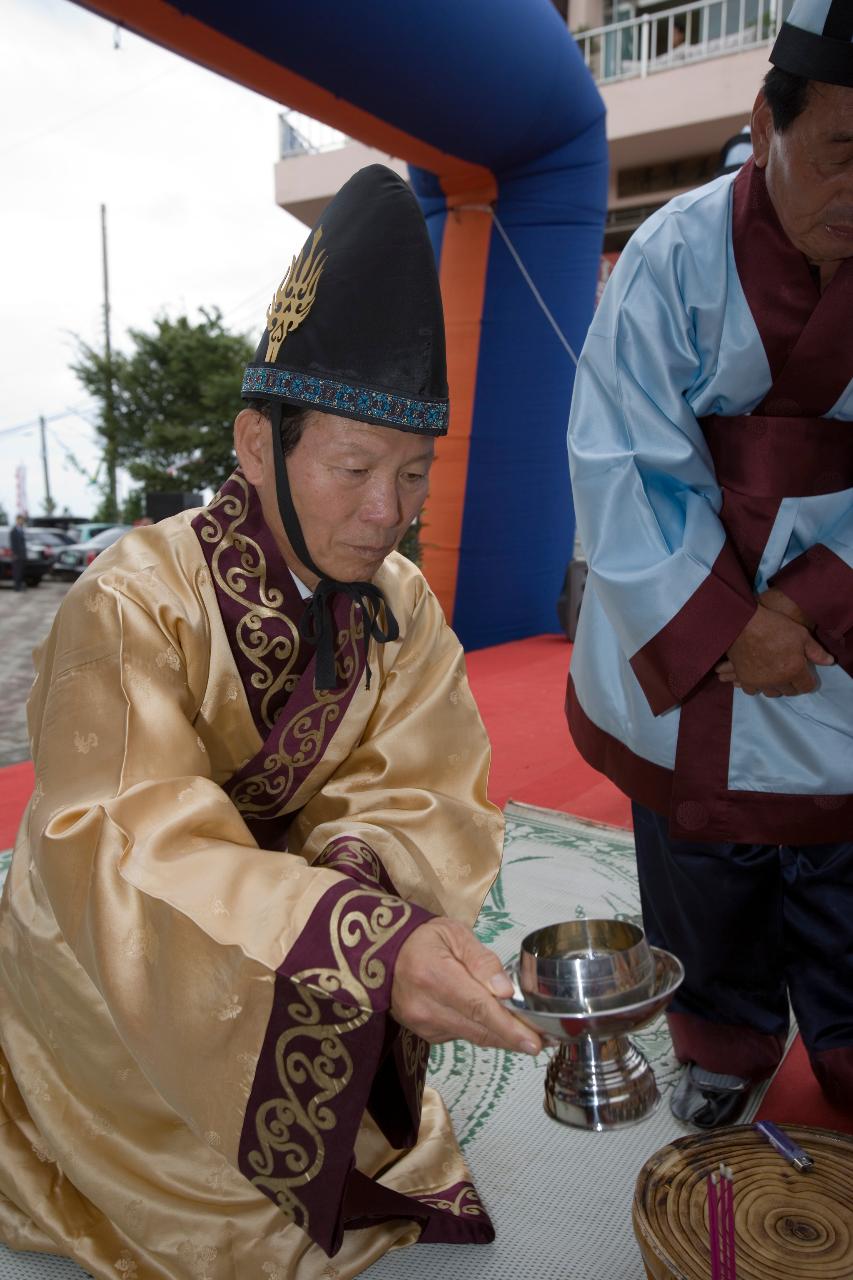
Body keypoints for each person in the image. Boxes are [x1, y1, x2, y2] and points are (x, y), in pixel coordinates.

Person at [0, 166, 540, 1280]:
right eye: (352, 467)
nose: (387, 512)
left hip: (285, 926)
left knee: (367, 1129)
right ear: (257, 445)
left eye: (412, 473)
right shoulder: (131, 599)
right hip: (116, 932)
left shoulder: (400, 597)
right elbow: (121, 838)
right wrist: (358, 942)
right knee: (223, 1204)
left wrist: (361, 901)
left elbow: (427, 787)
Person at [566, 0, 853, 1129]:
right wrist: (733, 625)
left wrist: (813, 599)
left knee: (841, 860)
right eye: (842, 154)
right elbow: (619, 457)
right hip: (700, 631)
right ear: (763, 122)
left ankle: (842, 1035)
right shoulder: (667, 257)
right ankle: (722, 1037)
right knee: (701, 857)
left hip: (833, 623)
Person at [9, 514, 26, 591]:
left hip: (22, 555)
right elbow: (13, 544)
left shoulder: (21, 530)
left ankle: (20, 586)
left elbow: (23, 543)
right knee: (16, 571)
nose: (21, 521)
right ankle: (16, 587)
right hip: (16, 555)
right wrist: (14, 554)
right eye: (20, 519)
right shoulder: (13, 531)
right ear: (17, 520)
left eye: (22, 520)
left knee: (21, 571)